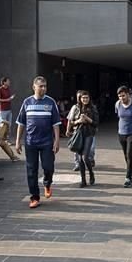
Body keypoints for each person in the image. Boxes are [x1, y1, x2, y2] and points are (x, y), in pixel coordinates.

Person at [15, 76, 62, 209]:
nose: (43, 89)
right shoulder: (27, 102)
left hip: (47, 141)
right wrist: (18, 141)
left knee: (48, 167)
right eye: (41, 86)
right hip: (31, 142)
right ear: (34, 87)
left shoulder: (51, 102)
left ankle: (47, 183)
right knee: (31, 170)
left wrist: (57, 141)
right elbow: (21, 123)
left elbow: (56, 123)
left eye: (45, 86)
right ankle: (34, 197)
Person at [67, 90, 99, 187]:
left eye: (87, 98)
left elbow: (96, 123)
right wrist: (78, 121)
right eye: (83, 98)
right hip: (79, 134)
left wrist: (87, 119)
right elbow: (71, 121)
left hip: (89, 134)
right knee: (80, 158)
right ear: (80, 99)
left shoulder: (93, 108)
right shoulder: (76, 108)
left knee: (85, 157)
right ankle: (83, 180)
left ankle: (91, 173)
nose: (85, 99)